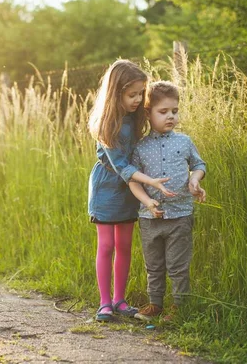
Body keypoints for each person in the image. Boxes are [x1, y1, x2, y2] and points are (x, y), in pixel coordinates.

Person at [87, 59, 175, 322]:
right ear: (116, 93)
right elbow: (122, 166)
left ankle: (119, 300)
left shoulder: (133, 119)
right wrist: (151, 181)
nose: (138, 99)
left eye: (140, 93)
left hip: (130, 190)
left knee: (125, 244)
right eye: (132, 94)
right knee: (107, 245)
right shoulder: (107, 125)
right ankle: (104, 302)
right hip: (107, 189)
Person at [129, 80, 207, 321]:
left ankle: (179, 306)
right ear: (148, 113)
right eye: (163, 112)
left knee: (178, 264)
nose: (170, 116)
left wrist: (195, 181)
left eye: (174, 110)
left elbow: (199, 164)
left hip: (180, 215)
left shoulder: (184, 141)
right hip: (150, 216)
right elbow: (133, 180)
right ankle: (155, 304)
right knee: (153, 265)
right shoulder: (140, 148)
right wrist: (147, 202)